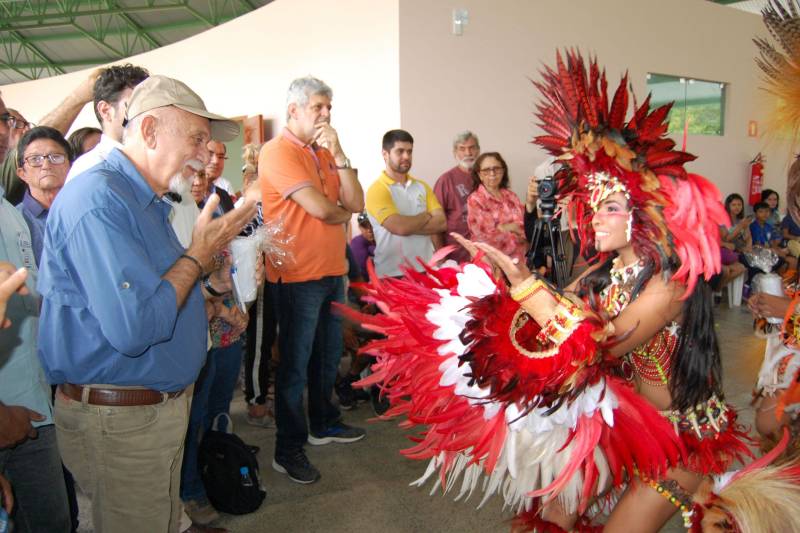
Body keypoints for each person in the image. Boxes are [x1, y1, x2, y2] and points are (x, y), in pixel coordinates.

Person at [350, 51, 797, 532]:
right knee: (553, 516)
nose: (592, 216)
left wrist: (527, 290)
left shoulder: (669, 286)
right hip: (623, 423)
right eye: (590, 205)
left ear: (640, 214)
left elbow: (600, 344)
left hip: (679, 439)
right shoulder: (602, 271)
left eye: (606, 206)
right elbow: (558, 316)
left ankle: (710, 496)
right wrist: (480, 308)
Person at [37, 74, 256, 533]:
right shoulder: (98, 200)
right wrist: (197, 254)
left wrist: (211, 283)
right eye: (196, 137)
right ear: (151, 130)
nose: (204, 153)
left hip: (146, 414)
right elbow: (135, 328)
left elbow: (160, 294)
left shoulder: (147, 201)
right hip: (122, 425)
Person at [259, 75, 365, 485]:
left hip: (332, 271)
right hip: (296, 275)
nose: (325, 115)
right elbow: (324, 210)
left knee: (327, 357)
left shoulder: (323, 154)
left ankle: (324, 424)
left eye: (328, 108)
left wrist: (339, 154)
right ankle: (288, 450)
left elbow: (354, 202)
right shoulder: (276, 152)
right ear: (294, 110)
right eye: (318, 107)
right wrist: (341, 214)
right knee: (295, 367)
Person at [365, 129, 446, 277]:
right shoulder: (377, 190)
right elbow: (400, 227)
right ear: (385, 154)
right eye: (400, 151)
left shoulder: (422, 186)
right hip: (392, 274)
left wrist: (407, 226)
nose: (406, 156)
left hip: (425, 271)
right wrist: (426, 216)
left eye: (410, 151)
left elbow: (441, 223)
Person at [65, 64, 149, 182]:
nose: (147, 113)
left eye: (150, 105)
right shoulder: (89, 168)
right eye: (134, 104)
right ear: (105, 111)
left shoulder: (157, 160)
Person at [15, 127, 73, 264]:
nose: (46, 165)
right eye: (35, 159)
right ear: (22, 173)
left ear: (70, 166)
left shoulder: (85, 209)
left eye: (56, 157)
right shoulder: (14, 219)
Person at [466, 152, 527, 264]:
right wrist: (513, 229)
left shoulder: (511, 196)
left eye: (496, 168)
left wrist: (504, 228)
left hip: (520, 262)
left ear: (503, 171)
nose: (492, 173)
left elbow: (525, 227)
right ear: (479, 175)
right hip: (491, 264)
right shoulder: (475, 200)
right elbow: (485, 238)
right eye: (486, 170)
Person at [433, 131, 479, 262]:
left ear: (478, 150)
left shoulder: (487, 177)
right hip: (455, 256)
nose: (468, 153)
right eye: (462, 149)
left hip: (485, 256)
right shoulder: (445, 180)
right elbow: (435, 225)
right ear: (455, 153)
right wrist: (442, 258)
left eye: (472, 148)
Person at [350, 211, 375, 277]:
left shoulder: (384, 240)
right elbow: (360, 271)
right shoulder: (357, 242)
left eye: (371, 226)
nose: (369, 230)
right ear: (360, 227)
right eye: (365, 227)